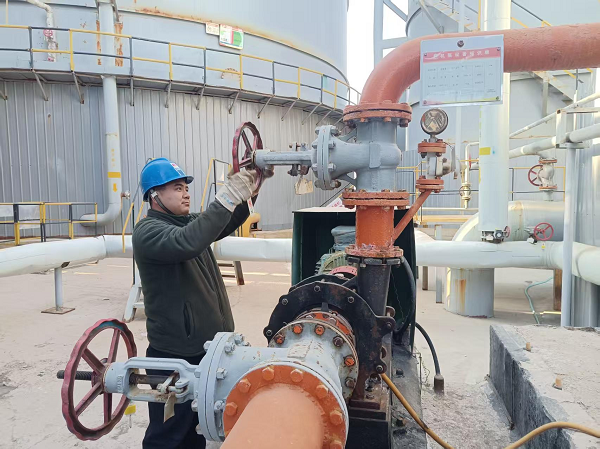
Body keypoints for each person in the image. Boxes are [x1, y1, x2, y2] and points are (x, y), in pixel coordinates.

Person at [132, 157, 268, 448]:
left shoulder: (188, 223)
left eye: (186, 187)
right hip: (174, 356)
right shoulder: (148, 231)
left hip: (204, 350)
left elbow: (224, 221)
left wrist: (252, 187)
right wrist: (227, 196)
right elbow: (188, 241)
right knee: (168, 434)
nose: (186, 193)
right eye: (177, 188)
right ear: (154, 195)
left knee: (195, 430)